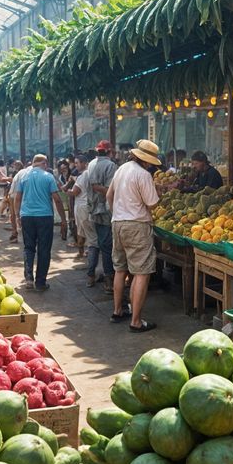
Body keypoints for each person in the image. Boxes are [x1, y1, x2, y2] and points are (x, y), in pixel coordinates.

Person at [109, 140, 162, 331]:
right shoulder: (143, 174)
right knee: (142, 273)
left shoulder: (121, 169)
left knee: (120, 269)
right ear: (147, 161)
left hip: (118, 223)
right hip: (137, 225)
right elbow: (152, 203)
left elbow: (109, 195)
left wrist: (117, 213)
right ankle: (136, 321)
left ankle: (118, 311)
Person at [12, 153, 61, 290]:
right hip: (45, 217)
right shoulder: (48, 177)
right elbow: (57, 199)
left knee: (28, 248)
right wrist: (63, 219)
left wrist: (17, 216)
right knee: (44, 249)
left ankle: (28, 278)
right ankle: (40, 282)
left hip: (26, 216)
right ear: (44, 163)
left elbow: (17, 198)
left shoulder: (23, 177)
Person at [79, 142, 118, 285]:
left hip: (93, 209)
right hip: (105, 210)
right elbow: (108, 189)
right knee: (107, 245)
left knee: (95, 243)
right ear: (110, 152)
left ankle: (91, 275)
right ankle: (109, 279)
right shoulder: (110, 166)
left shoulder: (92, 164)